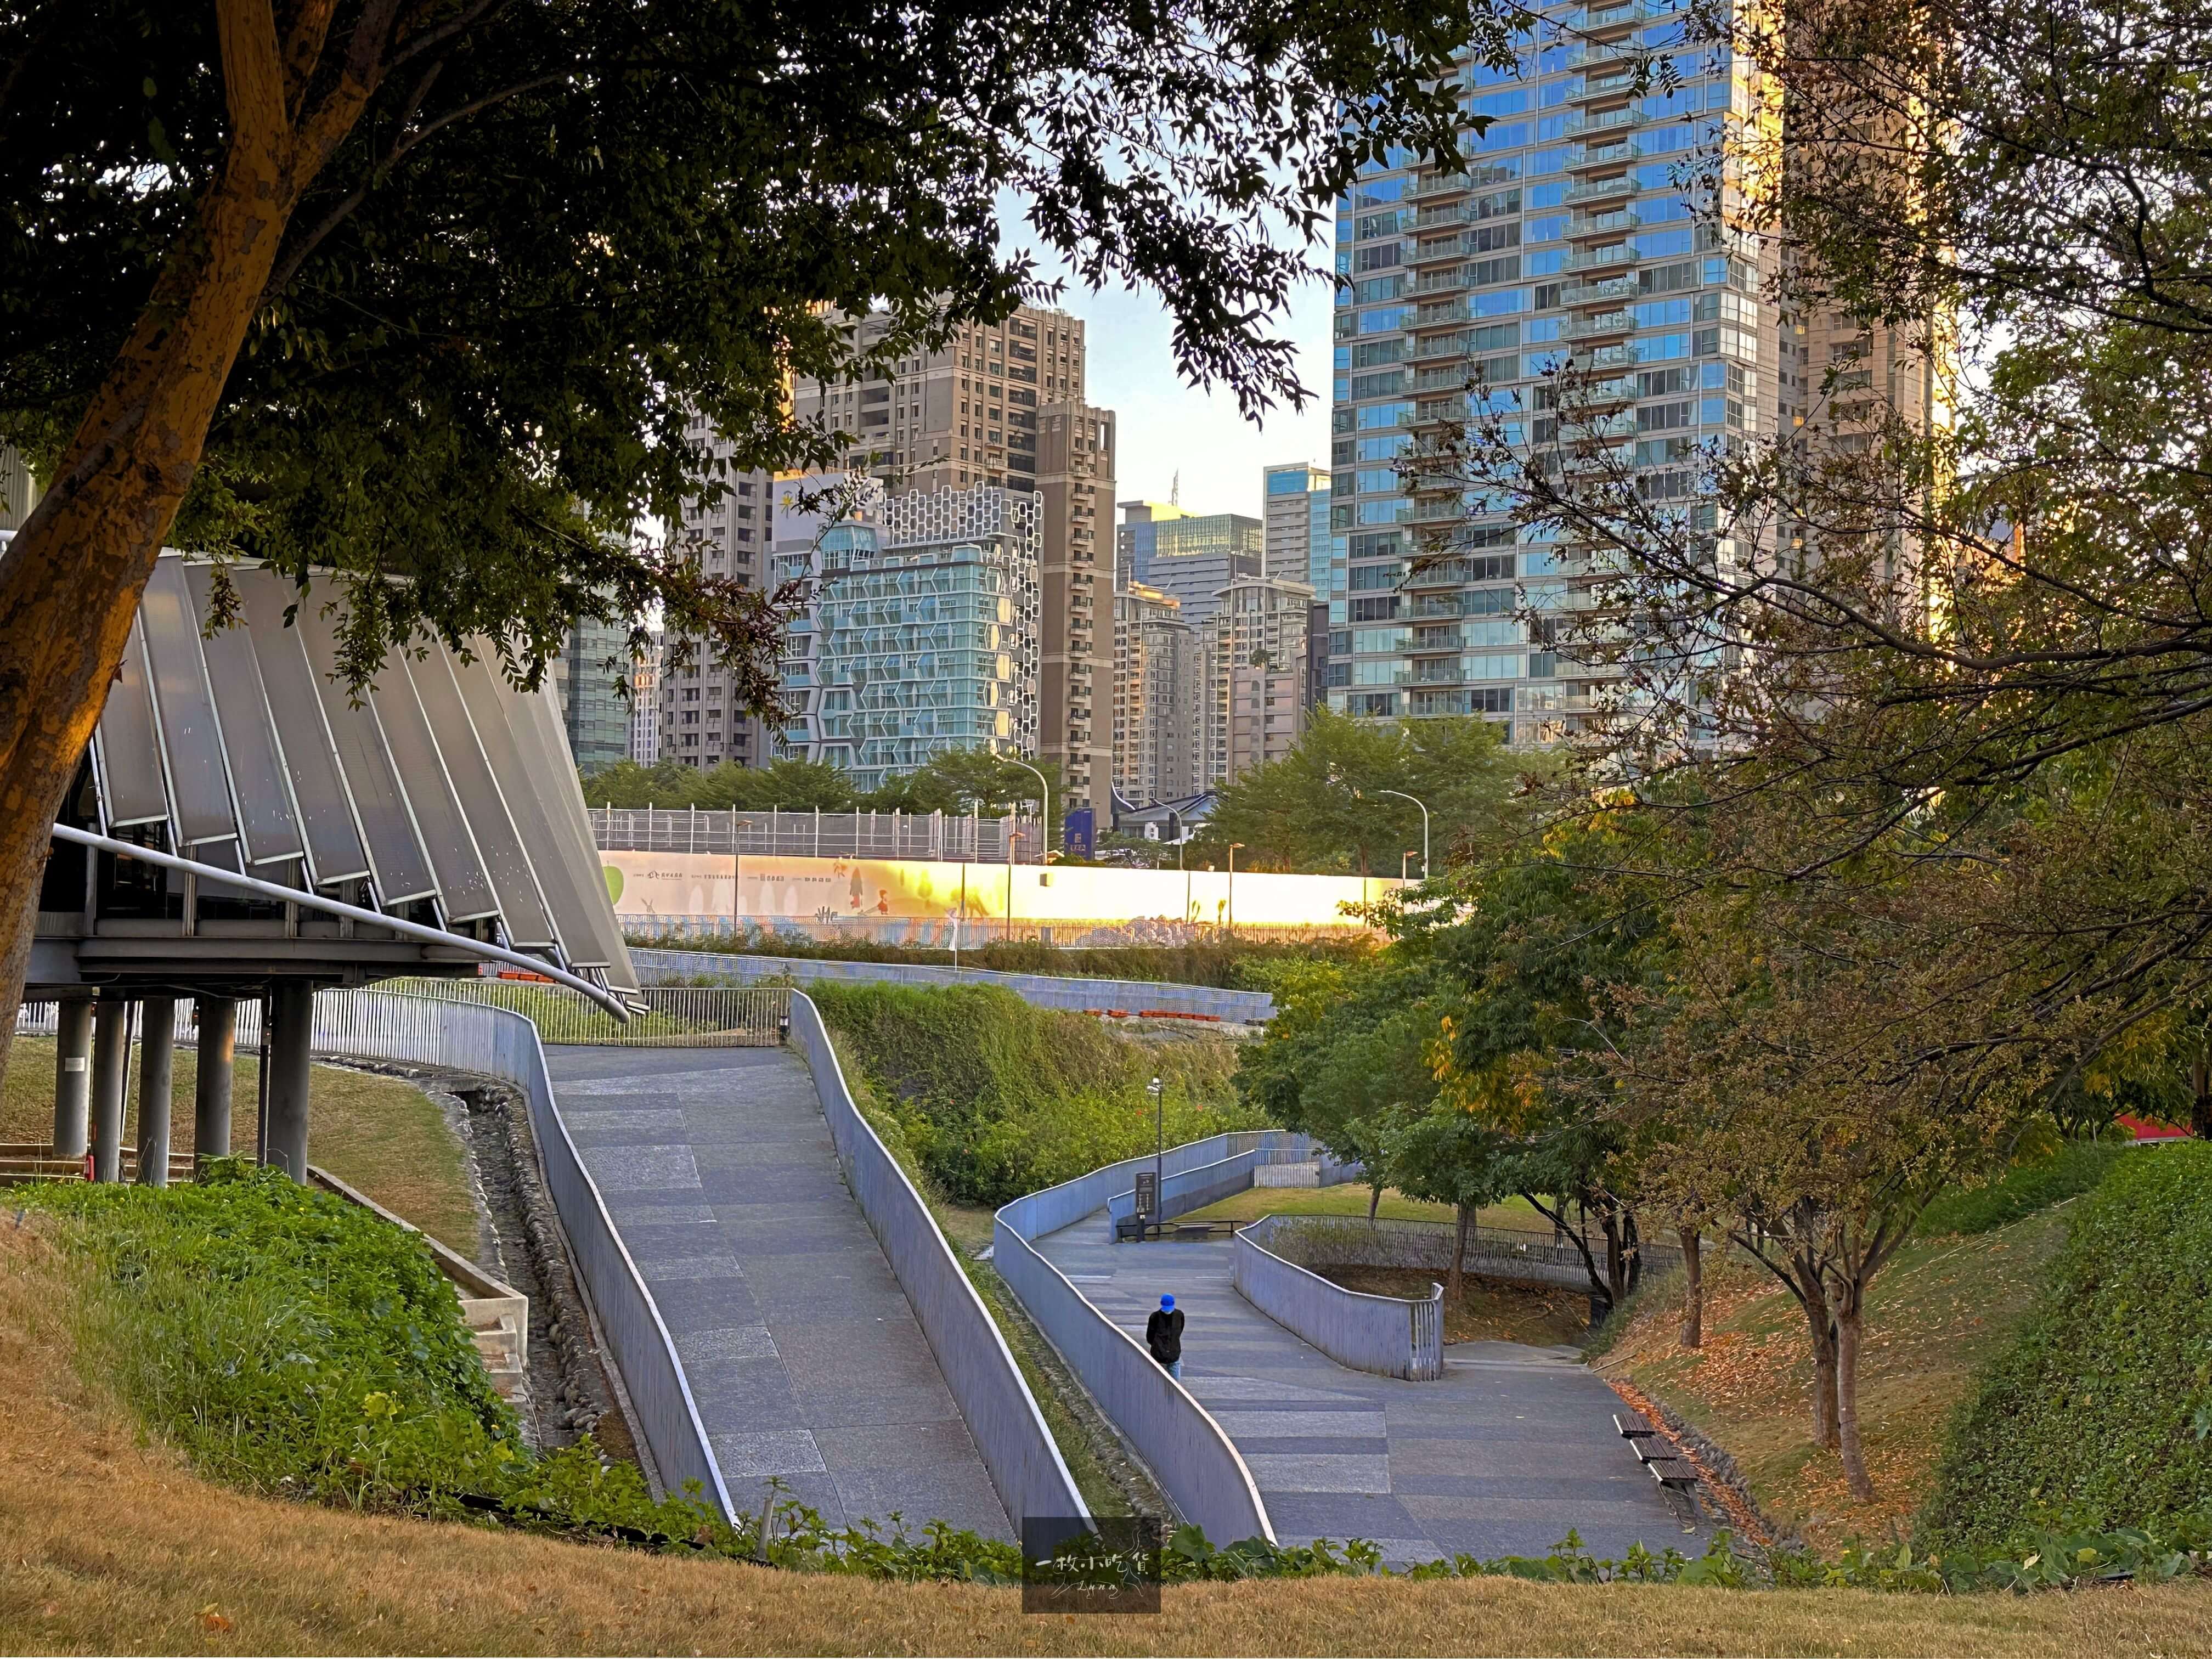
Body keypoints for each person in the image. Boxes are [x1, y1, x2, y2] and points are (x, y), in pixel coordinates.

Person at [1146, 1293, 1184, 1380]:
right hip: (1159, 1357)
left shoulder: (1179, 1315)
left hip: (1174, 1357)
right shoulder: (1155, 1317)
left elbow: (1180, 1330)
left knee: (1175, 1385)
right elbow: (1150, 1337)